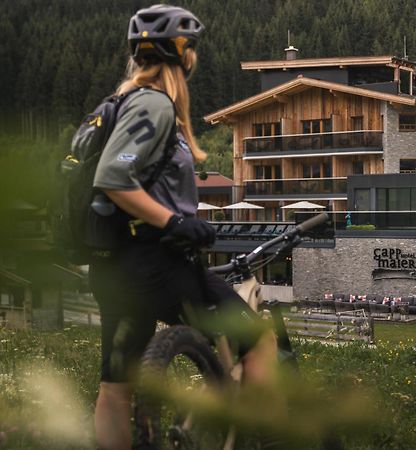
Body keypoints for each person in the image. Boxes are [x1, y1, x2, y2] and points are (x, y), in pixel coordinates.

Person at [89, 5, 277, 449]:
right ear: (183, 54)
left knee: (116, 387)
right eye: (191, 49)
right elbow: (114, 178)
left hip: (113, 266)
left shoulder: (114, 105)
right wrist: (175, 220)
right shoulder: (154, 105)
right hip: (154, 264)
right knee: (261, 340)